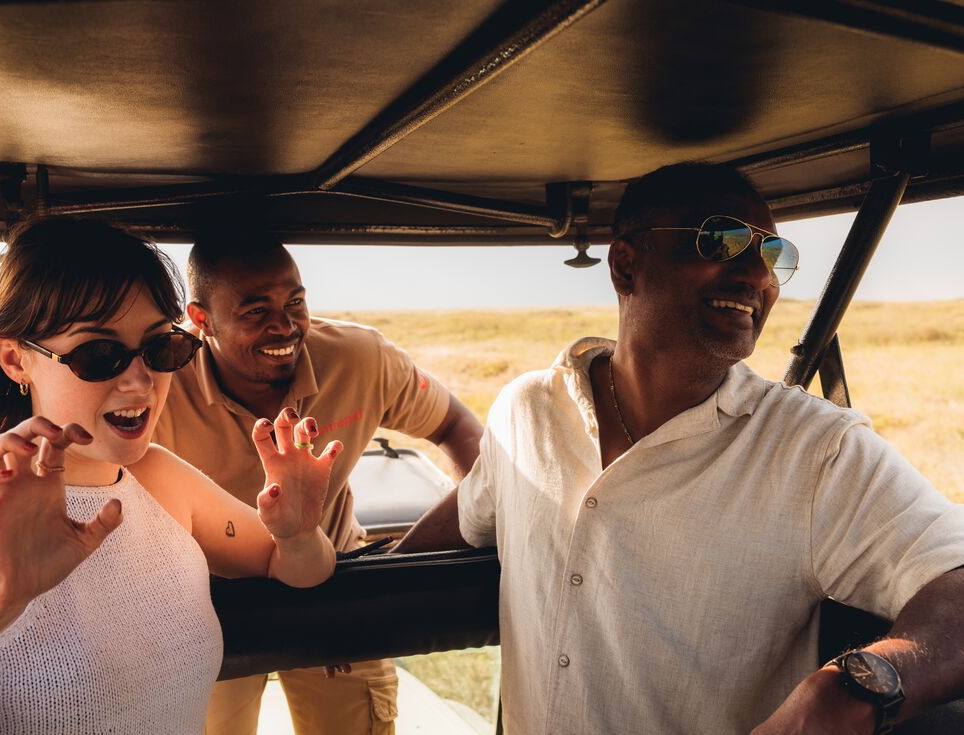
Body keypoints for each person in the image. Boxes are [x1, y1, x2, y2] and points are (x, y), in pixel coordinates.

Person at [397, 163, 964, 733]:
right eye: (721, 240)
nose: (755, 274)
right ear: (626, 265)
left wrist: (849, 690)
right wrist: (344, 604)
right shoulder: (527, 411)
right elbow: (474, 507)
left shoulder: (815, 451)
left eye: (772, 254)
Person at [0, 219, 343, 735]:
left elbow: (297, 568)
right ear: (15, 359)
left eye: (161, 348)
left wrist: (296, 535)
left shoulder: (158, 479)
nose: (140, 381)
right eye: (99, 354)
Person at [152, 230, 483, 735]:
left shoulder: (361, 358)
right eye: (255, 311)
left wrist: (401, 570)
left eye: (296, 302)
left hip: (335, 587)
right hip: (210, 603)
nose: (284, 326)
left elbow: (458, 427)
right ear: (201, 319)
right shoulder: (160, 384)